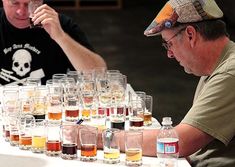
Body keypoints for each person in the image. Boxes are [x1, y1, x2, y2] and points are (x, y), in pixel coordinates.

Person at [98, 0, 235, 167]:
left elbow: (179, 142)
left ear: (190, 34)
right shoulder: (216, 65)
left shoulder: (229, 73)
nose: (169, 54)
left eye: (169, 44)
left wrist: (103, 137)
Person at [0, 0, 106, 85]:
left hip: (49, 107)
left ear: (40, 2)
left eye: (28, 4)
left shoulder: (58, 23)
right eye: (15, 3)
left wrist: (61, 37)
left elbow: (100, 74)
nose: (21, 12)